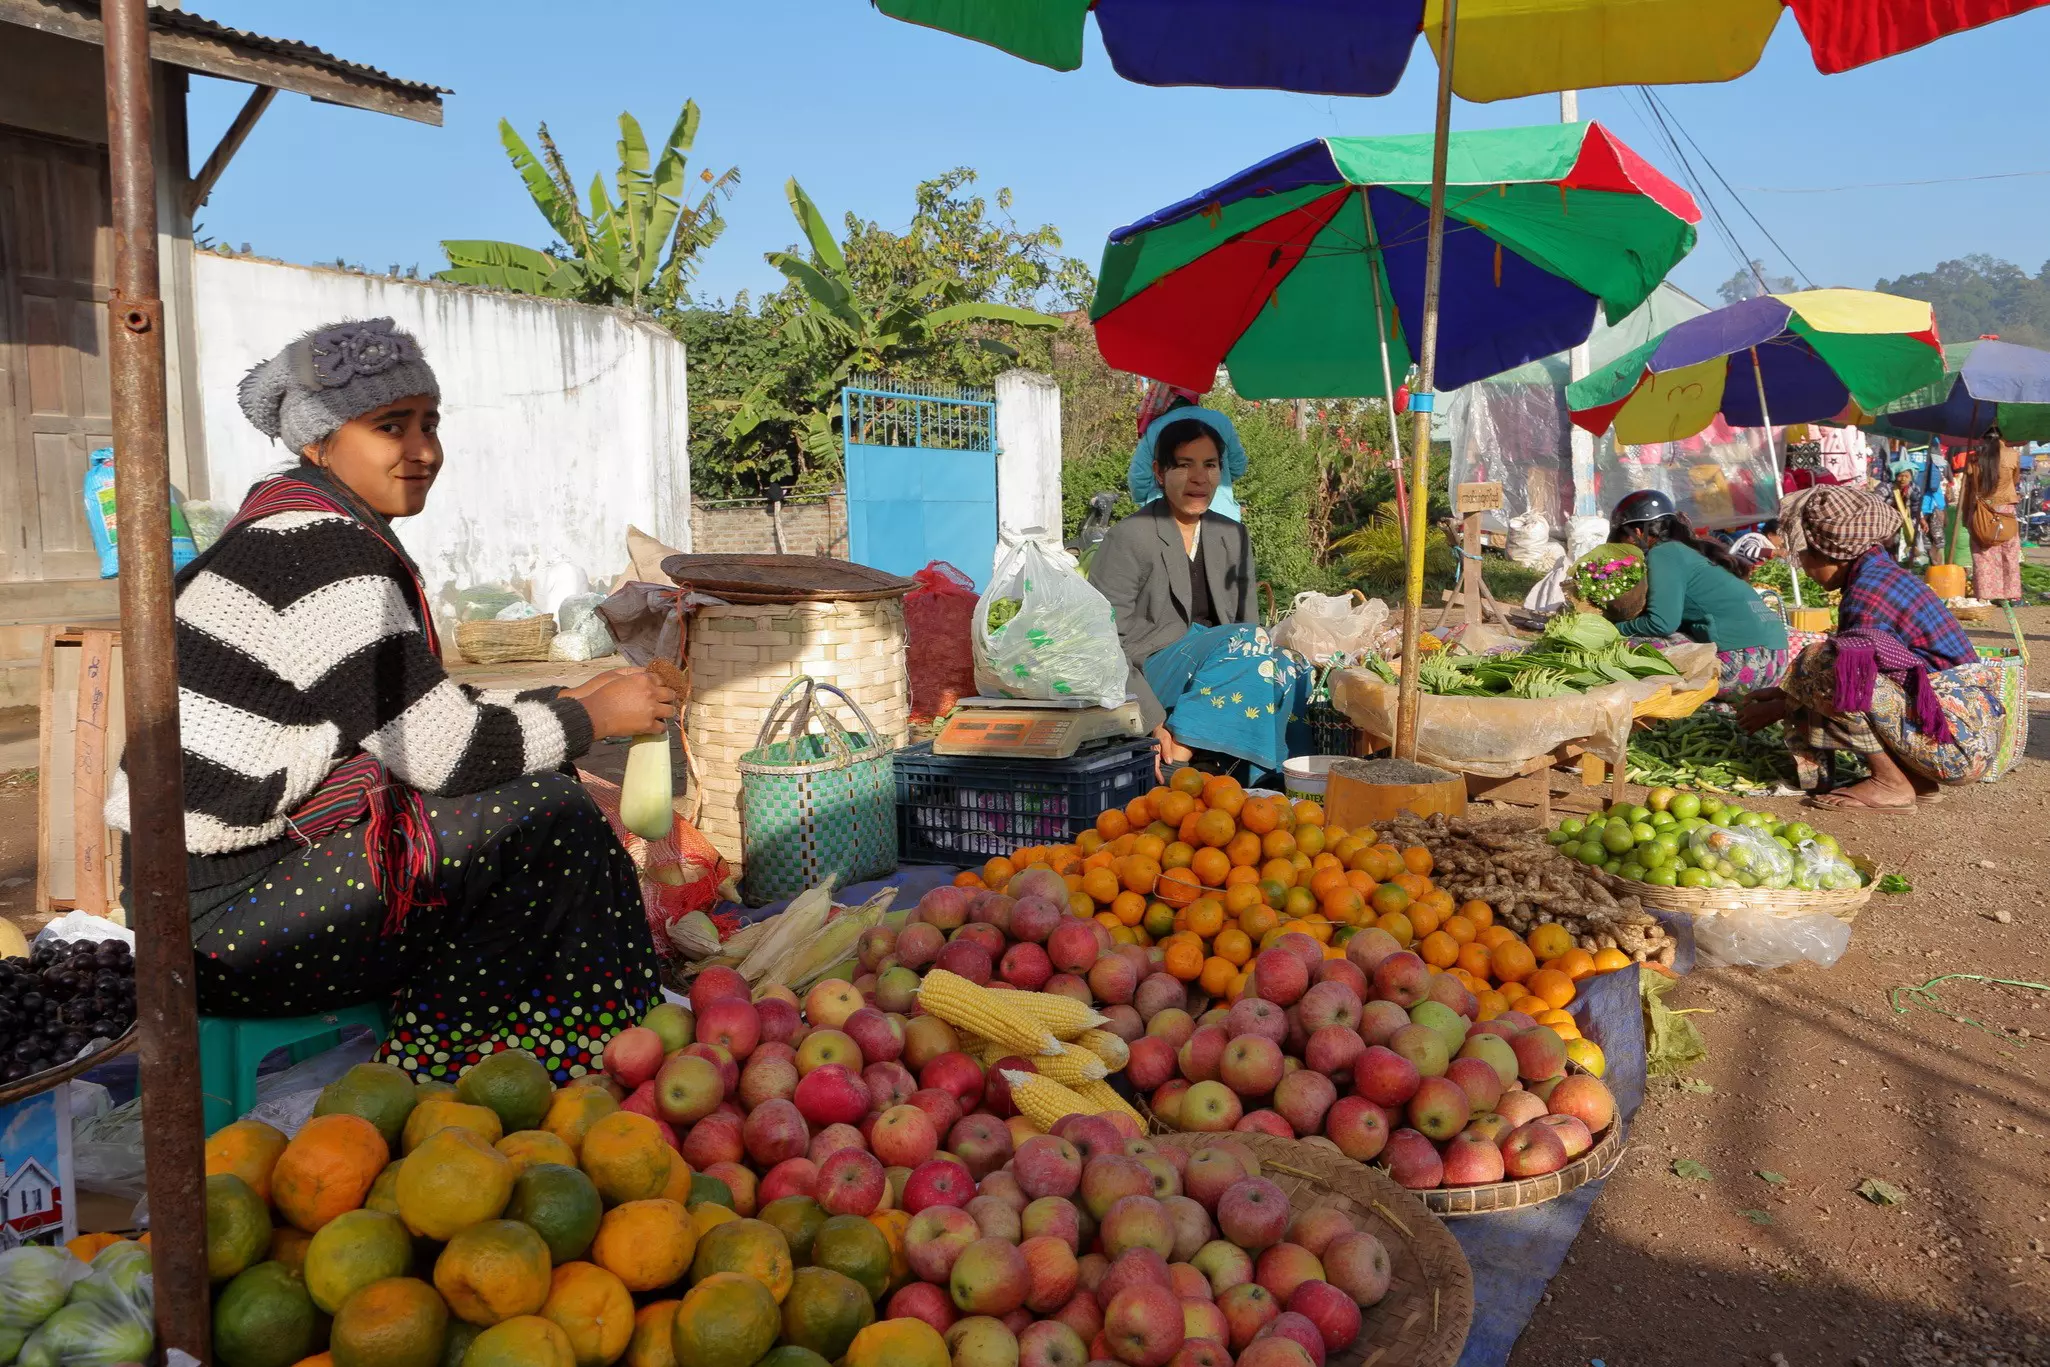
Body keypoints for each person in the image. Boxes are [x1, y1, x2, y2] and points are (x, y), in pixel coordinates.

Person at [106, 318, 675, 1081]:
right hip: (216, 927)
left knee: (536, 794)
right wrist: (593, 716)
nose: (425, 450)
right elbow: (446, 753)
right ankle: (500, 1072)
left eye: (430, 423)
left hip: (202, 896)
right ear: (321, 442)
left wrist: (573, 695)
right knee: (549, 818)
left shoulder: (298, 523)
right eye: (389, 426)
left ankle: (513, 1049)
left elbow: (412, 712)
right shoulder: (317, 549)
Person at [1738, 485, 2006, 810]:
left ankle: (1890, 783)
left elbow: (1845, 680)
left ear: (1833, 552)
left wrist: (1780, 707)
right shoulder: (1881, 574)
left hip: (1954, 744)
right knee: (1824, 666)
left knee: (1823, 662)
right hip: (1965, 734)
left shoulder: (1869, 593)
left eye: (1806, 556)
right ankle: (1916, 781)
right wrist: (1784, 694)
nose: (1805, 569)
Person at [1090, 412, 1304, 777]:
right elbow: (1102, 641)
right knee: (1249, 639)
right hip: (1150, 669)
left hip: (1217, 666)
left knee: (1290, 666)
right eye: (1185, 465)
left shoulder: (1232, 534)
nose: (1199, 478)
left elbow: (1247, 624)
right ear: (1159, 472)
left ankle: (1263, 780)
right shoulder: (1131, 536)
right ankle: (1181, 752)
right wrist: (1150, 720)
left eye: (1210, 465)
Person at [1605, 490, 1790, 698]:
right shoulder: (1685, 552)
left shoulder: (1664, 553)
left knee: (1627, 644)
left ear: (1638, 532)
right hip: (1776, 660)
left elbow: (1661, 623)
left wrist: (1614, 628)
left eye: (1622, 537)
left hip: (1746, 664)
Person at [1963, 429, 2022, 604]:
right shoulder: (2013, 456)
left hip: (1982, 512)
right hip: (2006, 512)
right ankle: (2010, 594)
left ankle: (1985, 594)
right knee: (2008, 553)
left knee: (1983, 553)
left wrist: (1967, 516)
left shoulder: (1974, 459)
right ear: (2003, 437)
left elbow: (1969, 489)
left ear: (1983, 438)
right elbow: (2015, 480)